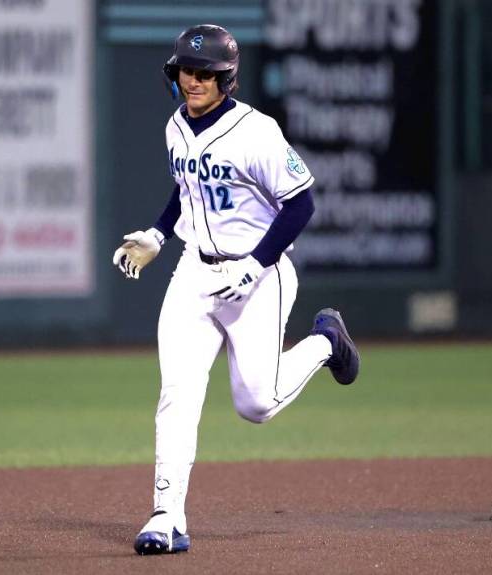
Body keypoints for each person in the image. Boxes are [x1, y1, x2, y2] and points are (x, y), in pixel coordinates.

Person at [112, 24, 360, 556]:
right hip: (194, 274)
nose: (194, 81)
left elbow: (301, 204)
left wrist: (255, 263)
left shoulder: (257, 132)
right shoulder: (175, 126)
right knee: (177, 393)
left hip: (259, 277)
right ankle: (165, 515)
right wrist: (158, 233)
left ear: (227, 79)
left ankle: (326, 342)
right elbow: (187, 189)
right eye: (187, 70)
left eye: (206, 74)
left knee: (257, 404)